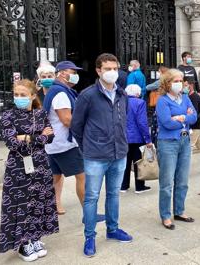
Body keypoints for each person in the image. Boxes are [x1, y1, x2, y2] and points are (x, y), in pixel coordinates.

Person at [71, 53, 132, 257]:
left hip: (119, 153)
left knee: (114, 194)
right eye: (108, 69)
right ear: (98, 70)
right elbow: (76, 126)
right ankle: (90, 237)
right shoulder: (87, 95)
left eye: (115, 68)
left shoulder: (122, 94)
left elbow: (124, 121)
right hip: (95, 156)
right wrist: (87, 147)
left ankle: (113, 230)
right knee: (92, 197)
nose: (112, 72)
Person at [0, 79, 58, 262]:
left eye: (23, 95)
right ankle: (23, 243)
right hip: (18, 166)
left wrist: (26, 137)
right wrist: (38, 137)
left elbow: (51, 137)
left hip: (40, 164)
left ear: (33, 96)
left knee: (39, 201)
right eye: (16, 95)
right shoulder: (8, 115)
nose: (19, 98)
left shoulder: (40, 113)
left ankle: (35, 238)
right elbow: (11, 143)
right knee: (21, 203)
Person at [156, 69, 197, 230]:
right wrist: (184, 118)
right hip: (168, 143)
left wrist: (180, 118)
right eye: (176, 81)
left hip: (185, 141)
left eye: (181, 80)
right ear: (167, 83)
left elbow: (194, 117)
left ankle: (179, 211)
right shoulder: (163, 101)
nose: (180, 83)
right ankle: (165, 215)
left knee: (182, 180)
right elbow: (167, 122)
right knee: (166, 182)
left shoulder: (185, 98)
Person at [43, 61, 85, 215]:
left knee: (54, 178)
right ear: (61, 73)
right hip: (64, 145)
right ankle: (89, 213)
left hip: (53, 144)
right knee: (83, 176)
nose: (75, 75)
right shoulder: (61, 93)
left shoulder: (54, 90)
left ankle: (44, 209)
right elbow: (67, 120)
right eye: (72, 72)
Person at [121, 84, 153, 193]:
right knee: (138, 162)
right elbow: (142, 122)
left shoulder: (121, 102)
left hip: (124, 137)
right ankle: (139, 187)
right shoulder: (140, 102)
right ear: (138, 93)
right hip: (137, 137)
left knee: (125, 162)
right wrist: (148, 139)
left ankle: (123, 186)